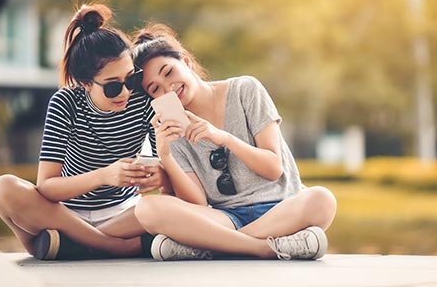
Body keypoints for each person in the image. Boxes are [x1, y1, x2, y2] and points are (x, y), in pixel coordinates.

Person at [132, 24, 337, 261]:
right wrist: (166, 156)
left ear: (186, 62)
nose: (169, 87)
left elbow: (273, 168)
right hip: (226, 217)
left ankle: (211, 247)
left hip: (281, 207)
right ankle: (266, 247)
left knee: (322, 199)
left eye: (168, 73)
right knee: (147, 209)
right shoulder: (172, 129)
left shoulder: (245, 89)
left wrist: (223, 137)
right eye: (155, 89)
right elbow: (197, 203)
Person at [0, 4, 169, 260]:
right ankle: (114, 247)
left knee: (168, 206)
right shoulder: (66, 103)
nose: (126, 92)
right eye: (112, 87)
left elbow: (168, 170)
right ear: (85, 83)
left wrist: (156, 174)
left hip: (124, 214)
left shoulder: (143, 97)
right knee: (3, 188)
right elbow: (47, 187)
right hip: (64, 215)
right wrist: (104, 175)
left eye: (130, 79)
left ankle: (67, 245)